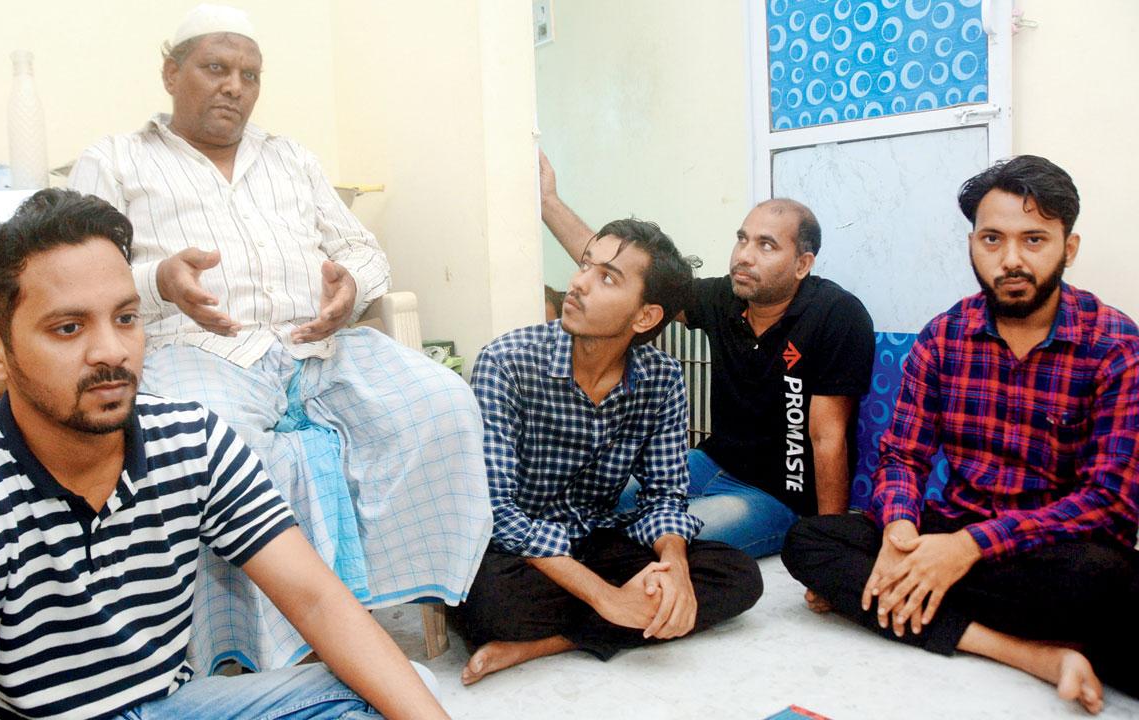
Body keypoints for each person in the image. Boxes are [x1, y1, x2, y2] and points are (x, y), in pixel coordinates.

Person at [0, 189, 447, 720]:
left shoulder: (193, 439)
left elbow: (318, 601)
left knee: (383, 691)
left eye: (125, 318)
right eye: (68, 329)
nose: (111, 352)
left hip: (167, 708)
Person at [68, 4, 491, 671]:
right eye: (215, 67)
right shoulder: (115, 160)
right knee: (207, 445)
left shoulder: (291, 159)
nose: (234, 86)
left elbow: (360, 247)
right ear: (171, 72)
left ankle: (415, 597)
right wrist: (159, 281)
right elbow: (82, 269)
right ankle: (252, 645)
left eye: (249, 74)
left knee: (442, 406)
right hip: (200, 348)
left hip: (324, 345)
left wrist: (349, 285)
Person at [781, 155, 1139, 715]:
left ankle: (908, 601)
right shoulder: (944, 337)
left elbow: (1110, 504)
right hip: (949, 534)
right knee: (811, 542)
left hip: (1049, 553)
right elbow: (902, 456)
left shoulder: (1115, 344)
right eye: (992, 239)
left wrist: (966, 549)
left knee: (1104, 577)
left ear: (1068, 249)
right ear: (972, 243)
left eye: (1034, 240)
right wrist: (901, 532)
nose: (1011, 260)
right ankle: (1033, 654)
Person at [459, 218, 763, 685]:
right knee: (490, 605)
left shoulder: (661, 379)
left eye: (607, 278)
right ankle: (610, 619)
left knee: (737, 576)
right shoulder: (507, 362)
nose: (578, 284)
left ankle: (553, 643)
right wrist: (605, 597)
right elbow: (498, 513)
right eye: (585, 265)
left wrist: (674, 566)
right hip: (518, 551)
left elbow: (663, 495)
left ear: (644, 317)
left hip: (592, 538)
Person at [539, 151, 874, 557]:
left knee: (665, 543)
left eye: (766, 245)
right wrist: (548, 202)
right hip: (707, 462)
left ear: (802, 264)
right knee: (589, 498)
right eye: (742, 239)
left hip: (775, 496)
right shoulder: (724, 298)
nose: (744, 255)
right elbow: (624, 277)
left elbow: (827, 437)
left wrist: (828, 545)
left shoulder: (835, 315)